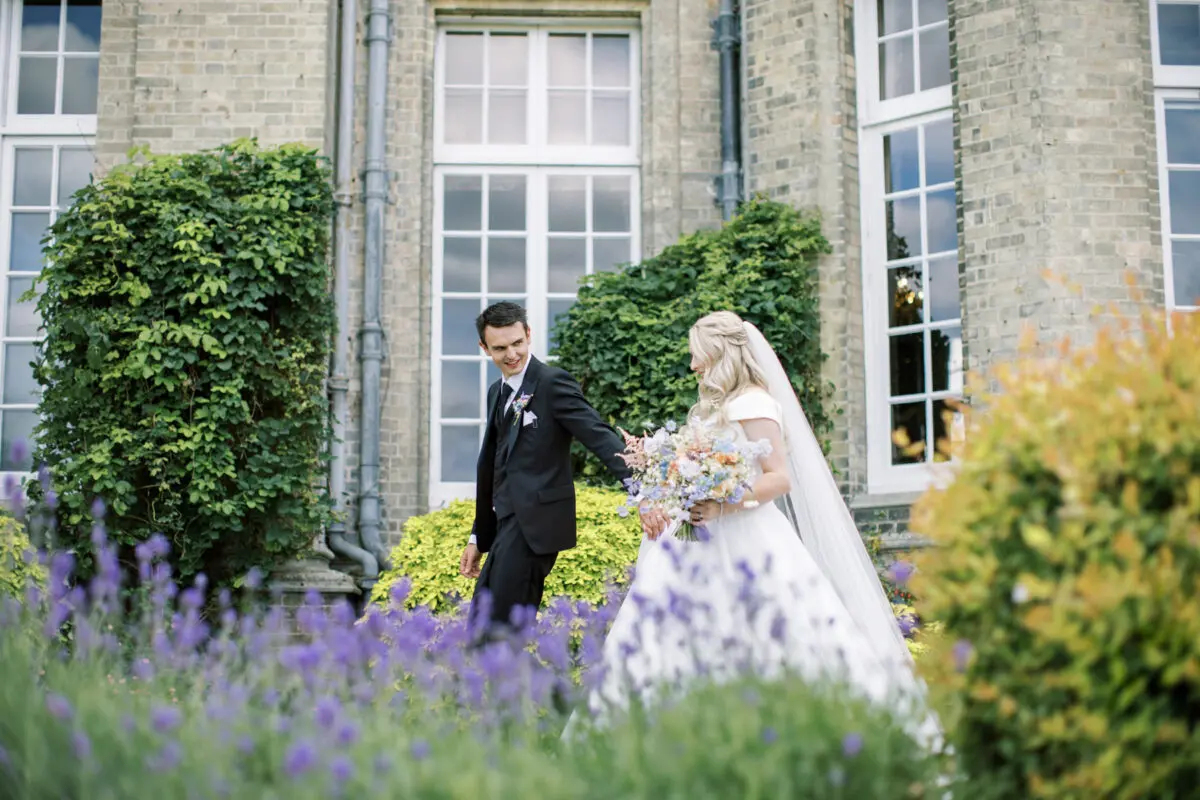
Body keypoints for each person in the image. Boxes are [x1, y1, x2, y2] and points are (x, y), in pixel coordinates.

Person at [569, 311, 940, 745]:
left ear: (720, 352)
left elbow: (778, 477)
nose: (693, 365)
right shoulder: (715, 407)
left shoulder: (754, 403)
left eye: (698, 355)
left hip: (747, 536)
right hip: (695, 538)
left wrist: (723, 504)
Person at [460, 302, 667, 641]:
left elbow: (600, 436)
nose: (511, 354)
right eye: (500, 348)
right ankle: (533, 693)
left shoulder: (552, 383)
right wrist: (477, 537)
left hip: (534, 529)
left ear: (528, 335)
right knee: (486, 629)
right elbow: (494, 468)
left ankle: (518, 691)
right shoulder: (497, 393)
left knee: (494, 632)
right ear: (485, 348)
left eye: (517, 343)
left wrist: (643, 492)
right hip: (505, 527)